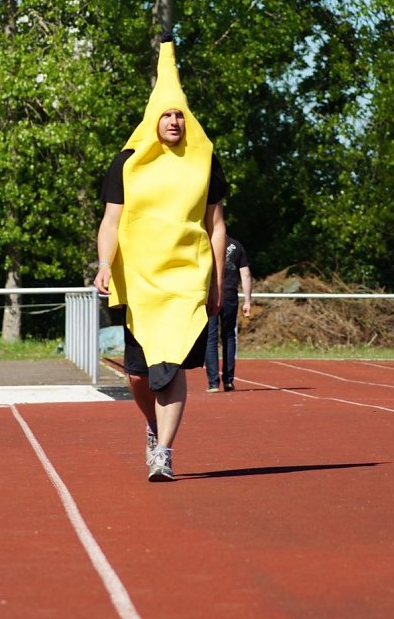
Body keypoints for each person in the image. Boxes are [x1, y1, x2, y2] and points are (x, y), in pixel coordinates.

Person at [94, 37, 227, 482]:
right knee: (137, 375)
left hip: (187, 281)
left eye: (180, 115)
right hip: (139, 281)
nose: (174, 121)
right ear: (153, 119)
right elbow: (111, 222)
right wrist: (102, 264)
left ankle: (164, 452)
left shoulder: (205, 163)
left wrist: (215, 283)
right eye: (167, 114)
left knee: (169, 367)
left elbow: (216, 226)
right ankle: (152, 427)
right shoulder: (127, 163)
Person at [205, 234, 252, 392]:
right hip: (230, 295)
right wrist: (247, 301)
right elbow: (245, 274)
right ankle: (228, 380)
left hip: (210, 295)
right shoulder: (236, 245)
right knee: (229, 336)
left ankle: (213, 382)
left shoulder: (205, 244)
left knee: (210, 338)